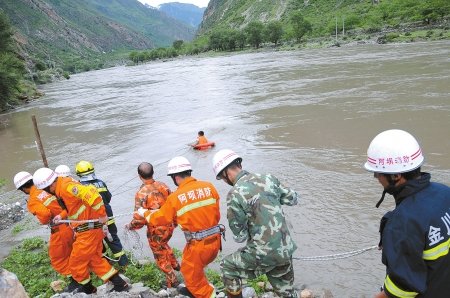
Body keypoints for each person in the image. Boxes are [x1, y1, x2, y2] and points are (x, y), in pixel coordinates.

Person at [364, 129, 450, 298]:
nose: (376, 178)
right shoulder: (444, 192)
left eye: (377, 173)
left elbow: (402, 289)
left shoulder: (402, 224)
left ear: (396, 176)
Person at [212, 149, 299, 298]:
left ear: (226, 173)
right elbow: (293, 199)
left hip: (262, 253)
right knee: (288, 293)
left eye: (221, 177)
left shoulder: (234, 194)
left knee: (227, 266)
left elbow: (239, 236)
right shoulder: (268, 178)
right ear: (238, 164)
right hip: (285, 248)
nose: (224, 181)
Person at [32, 167, 129, 294]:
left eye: (46, 190)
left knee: (75, 263)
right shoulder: (63, 186)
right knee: (95, 260)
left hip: (88, 232)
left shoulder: (66, 187)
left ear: (50, 185)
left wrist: (102, 215)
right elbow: (74, 206)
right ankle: (119, 283)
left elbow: (93, 195)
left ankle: (88, 290)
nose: (48, 193)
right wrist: (61, 216)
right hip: (88, 230)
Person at [137, 156, 222, 298]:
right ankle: (196, 288)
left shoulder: (176, 197)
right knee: (193, 269)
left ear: (175, 177)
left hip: (198, 245)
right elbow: (214, 212)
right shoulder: (209, 187)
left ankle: (205, 294)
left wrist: (143, 212)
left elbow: (159, 219)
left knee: (190, 273)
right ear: (189, 172)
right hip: (215, 241)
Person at [13, 171, 75, 289]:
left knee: (57, 259)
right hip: (69, 221)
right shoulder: (45, 188)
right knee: (71, 251)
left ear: (23, 189)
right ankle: (82, 274)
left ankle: (76, 279)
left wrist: (44, 221)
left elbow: (45, 215)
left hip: (59, 229)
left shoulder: (32, 200)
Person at [125, 162, 180, 288]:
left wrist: (131, 226)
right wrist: (175, 222)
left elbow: (140, 218)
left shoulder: (141, 193)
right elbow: (174, 205)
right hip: (170, 225)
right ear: (153, 172)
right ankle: (175, 264)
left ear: (139, 176)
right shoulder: (164, 186)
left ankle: (173, 280)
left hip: (156, 229)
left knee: (159, 253)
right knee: (164, 244)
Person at [75, 160, 128, 267]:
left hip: (92, 221)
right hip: (108, 217)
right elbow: (108, 198)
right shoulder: (101, 182)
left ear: (79, 174)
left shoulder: (79, 187)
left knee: (96, 243)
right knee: (113, 240)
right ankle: (124, 264)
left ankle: (106, 264)